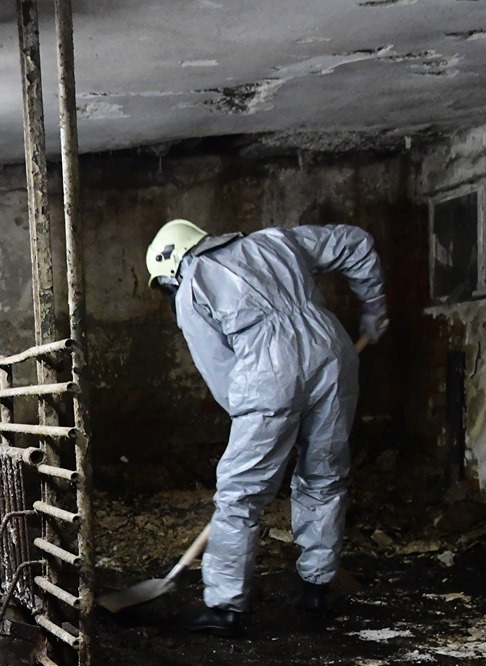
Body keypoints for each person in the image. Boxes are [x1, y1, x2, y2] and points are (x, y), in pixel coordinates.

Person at [144, 218, 388, 636]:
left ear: (172, 265)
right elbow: (355, 241)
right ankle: (318, 588)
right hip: (332, 351)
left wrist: (262, 422)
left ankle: (224, 606)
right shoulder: (274, 242)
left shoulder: (191, 287)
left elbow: (220, 371)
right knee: (324, 477)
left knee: (240, 492)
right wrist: (373, 310)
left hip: (267, 374)